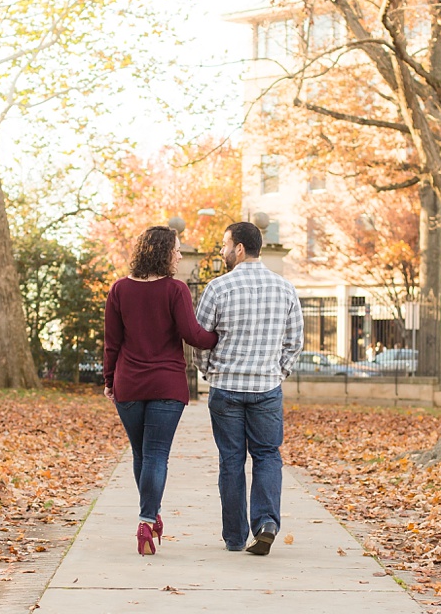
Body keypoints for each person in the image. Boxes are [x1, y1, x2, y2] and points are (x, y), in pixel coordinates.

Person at [103, 225, 219, 556]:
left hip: (129, 384)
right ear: (163, 253)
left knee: (142, 454)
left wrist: (109, 380)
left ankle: (149, 517)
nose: (180, 255)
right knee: (155, 455)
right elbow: (193, 335)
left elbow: (112, 343)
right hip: (167, 385)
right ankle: (146, 518)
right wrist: (221, 335)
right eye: (176, 250)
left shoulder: (119, 290)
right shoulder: (175, 290)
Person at [195, 222, 303, 555]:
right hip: (266, 388)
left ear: (239, 248)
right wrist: (278, 371)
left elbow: (199, 339)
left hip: (226, 387)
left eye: (226, 245)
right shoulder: (285, 288)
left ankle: (234, 536)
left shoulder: (218, 287)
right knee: (268, 456)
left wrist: (208, 371)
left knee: (231, 460)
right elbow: (295, 341)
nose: (223, 251)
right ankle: (267, 523)